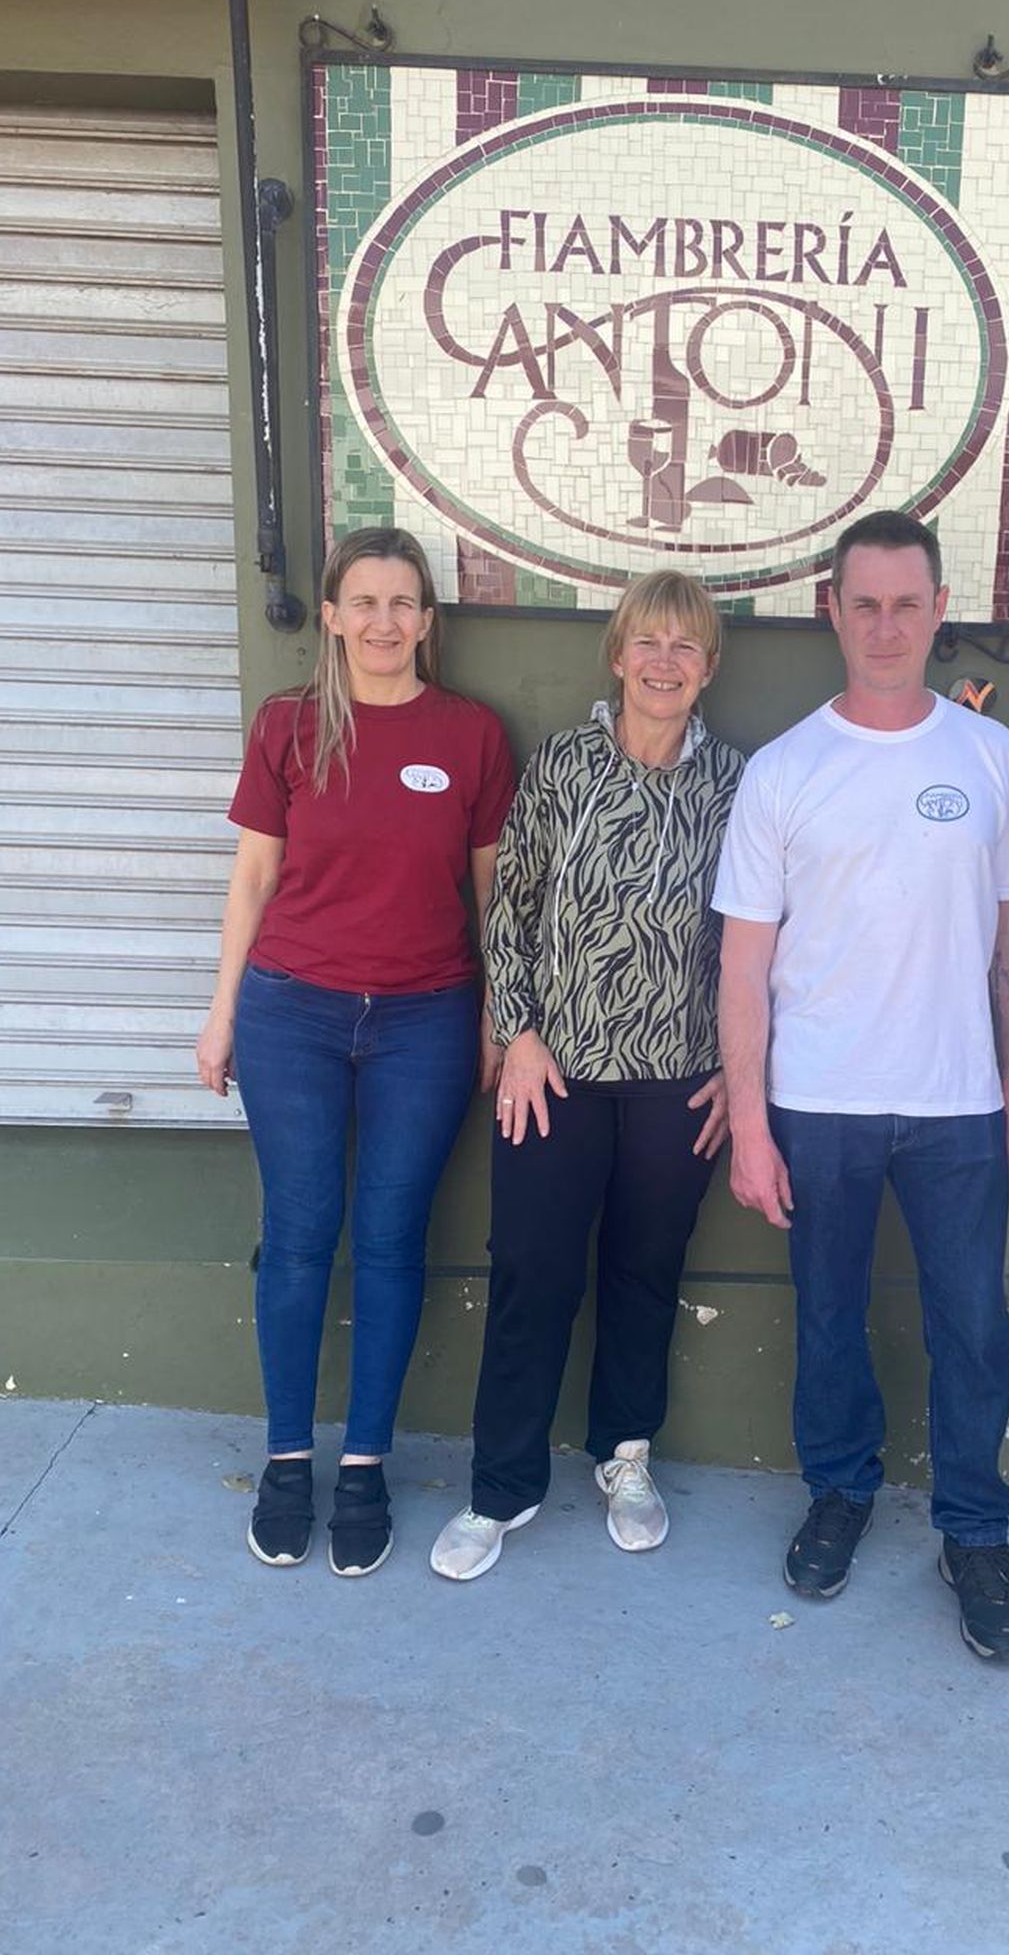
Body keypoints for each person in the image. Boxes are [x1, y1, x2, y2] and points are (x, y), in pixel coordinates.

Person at [714, 509, 1009, 1663]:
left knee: (973, 1327)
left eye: (910, 602)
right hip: (820, 1102)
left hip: (959, 1103)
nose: (888, 623)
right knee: (828, 1317)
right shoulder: (785, 769)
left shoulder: (987, 754)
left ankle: (974, 1529)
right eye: (867, 602)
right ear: (833, 612)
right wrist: (751, 1123)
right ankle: (840, 1491)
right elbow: (744, 964)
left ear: (939, 608)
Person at [197, 527, 513, 1577]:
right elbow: (252, 878)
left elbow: (495, 895)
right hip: (293, 1011)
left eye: (404, 602)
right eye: (364, 601)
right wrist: (223, 1009)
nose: (384, 621)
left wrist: (497, 1020)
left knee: (389, 1237)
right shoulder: (288, 725)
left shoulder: (470, 735)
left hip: (425, 1018)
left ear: (429, 619)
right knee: (298, 1234)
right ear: (330, 614)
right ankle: (289, 1459)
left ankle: (366, 1463)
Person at [430, 571, 744, 1581]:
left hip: (677, 1077)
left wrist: (743, 1071)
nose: (663, 661)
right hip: (553, 1070)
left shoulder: (733, 781)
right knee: (533, 1270)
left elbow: (757, 938)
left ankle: (625, 1456)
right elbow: (510, 905)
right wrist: (514, 1030)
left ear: (708, 668)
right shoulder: (565, 762)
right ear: (617, 655)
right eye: (646, 641)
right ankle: (501, 1484)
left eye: (685, 646)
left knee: (645, 1273)